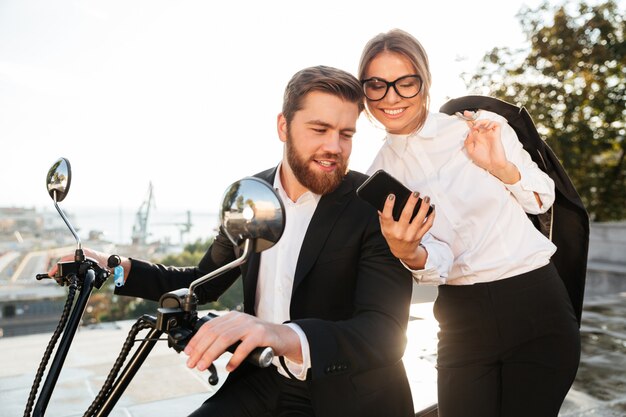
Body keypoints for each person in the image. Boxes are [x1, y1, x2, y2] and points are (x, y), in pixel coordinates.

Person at [51, 65, 415, 417]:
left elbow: (384, 333)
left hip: (345, 394)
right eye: (319, 129)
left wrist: (278, 334)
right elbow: (205, 279)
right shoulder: (249, 195)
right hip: (260, 381)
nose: (334, 146)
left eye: (346, 134)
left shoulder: (376, 208)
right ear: (283, 127)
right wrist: (118, 268)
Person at [357, 29, 581, 417]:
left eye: (405, 83)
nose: (391, 97)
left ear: (424, 83)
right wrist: (408, 252)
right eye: (377, 85)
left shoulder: (477, 128)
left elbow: (544, 197)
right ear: (364, 91)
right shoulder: (379, 174)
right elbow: (439, 263)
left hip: (535, 304)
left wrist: (500, 166)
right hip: (462, 321)